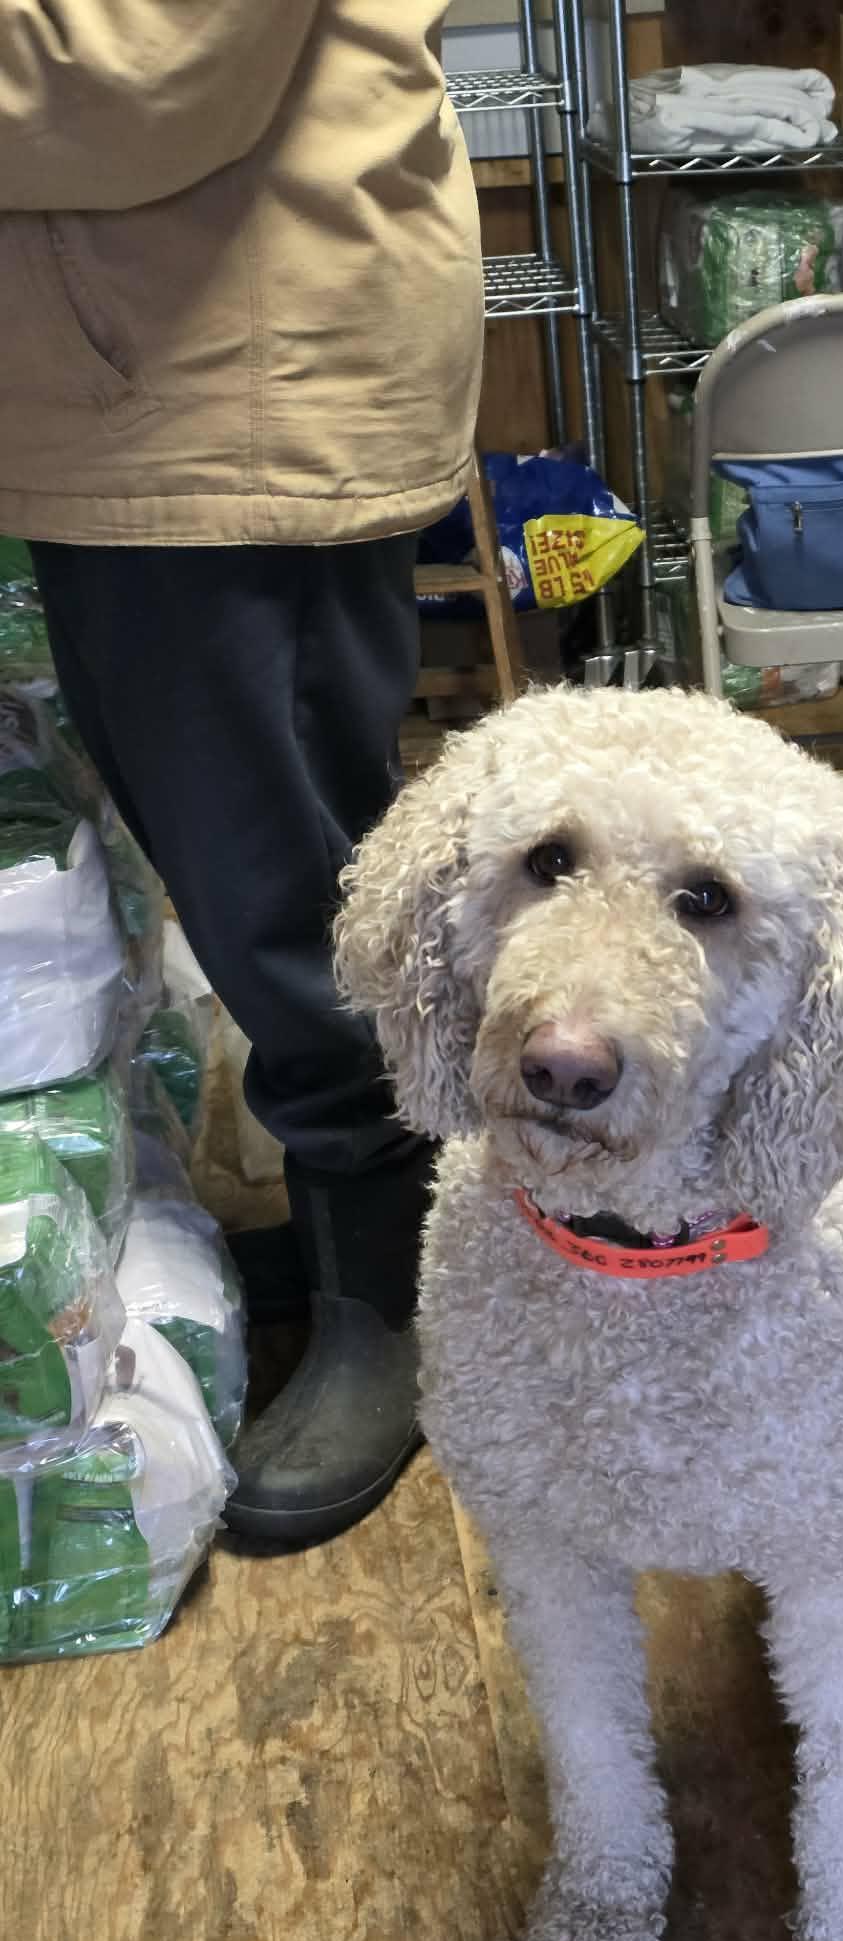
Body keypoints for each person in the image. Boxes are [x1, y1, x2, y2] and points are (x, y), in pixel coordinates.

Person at [0, 5, 485, 1545]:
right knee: (258, 862)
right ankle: (376, 1225)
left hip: (226, 380)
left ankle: (405, 1282)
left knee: (293, 886)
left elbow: (140, 67)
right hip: (157, 367)